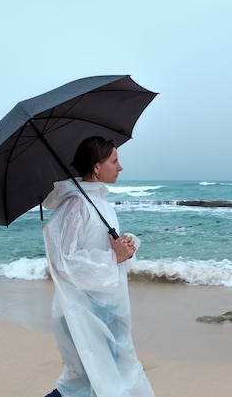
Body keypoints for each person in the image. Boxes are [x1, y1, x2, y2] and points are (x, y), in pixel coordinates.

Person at [41, 136, 154, 397]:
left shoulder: (98, 202)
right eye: (114, 161)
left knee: (103, 380)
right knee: (89, 379)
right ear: (96, 166)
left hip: (105, 307)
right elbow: (64, 261)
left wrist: (124, 246)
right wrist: (113, 257)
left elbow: (99, 247)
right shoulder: (75, 205)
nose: (120, 167)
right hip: (82, 310)